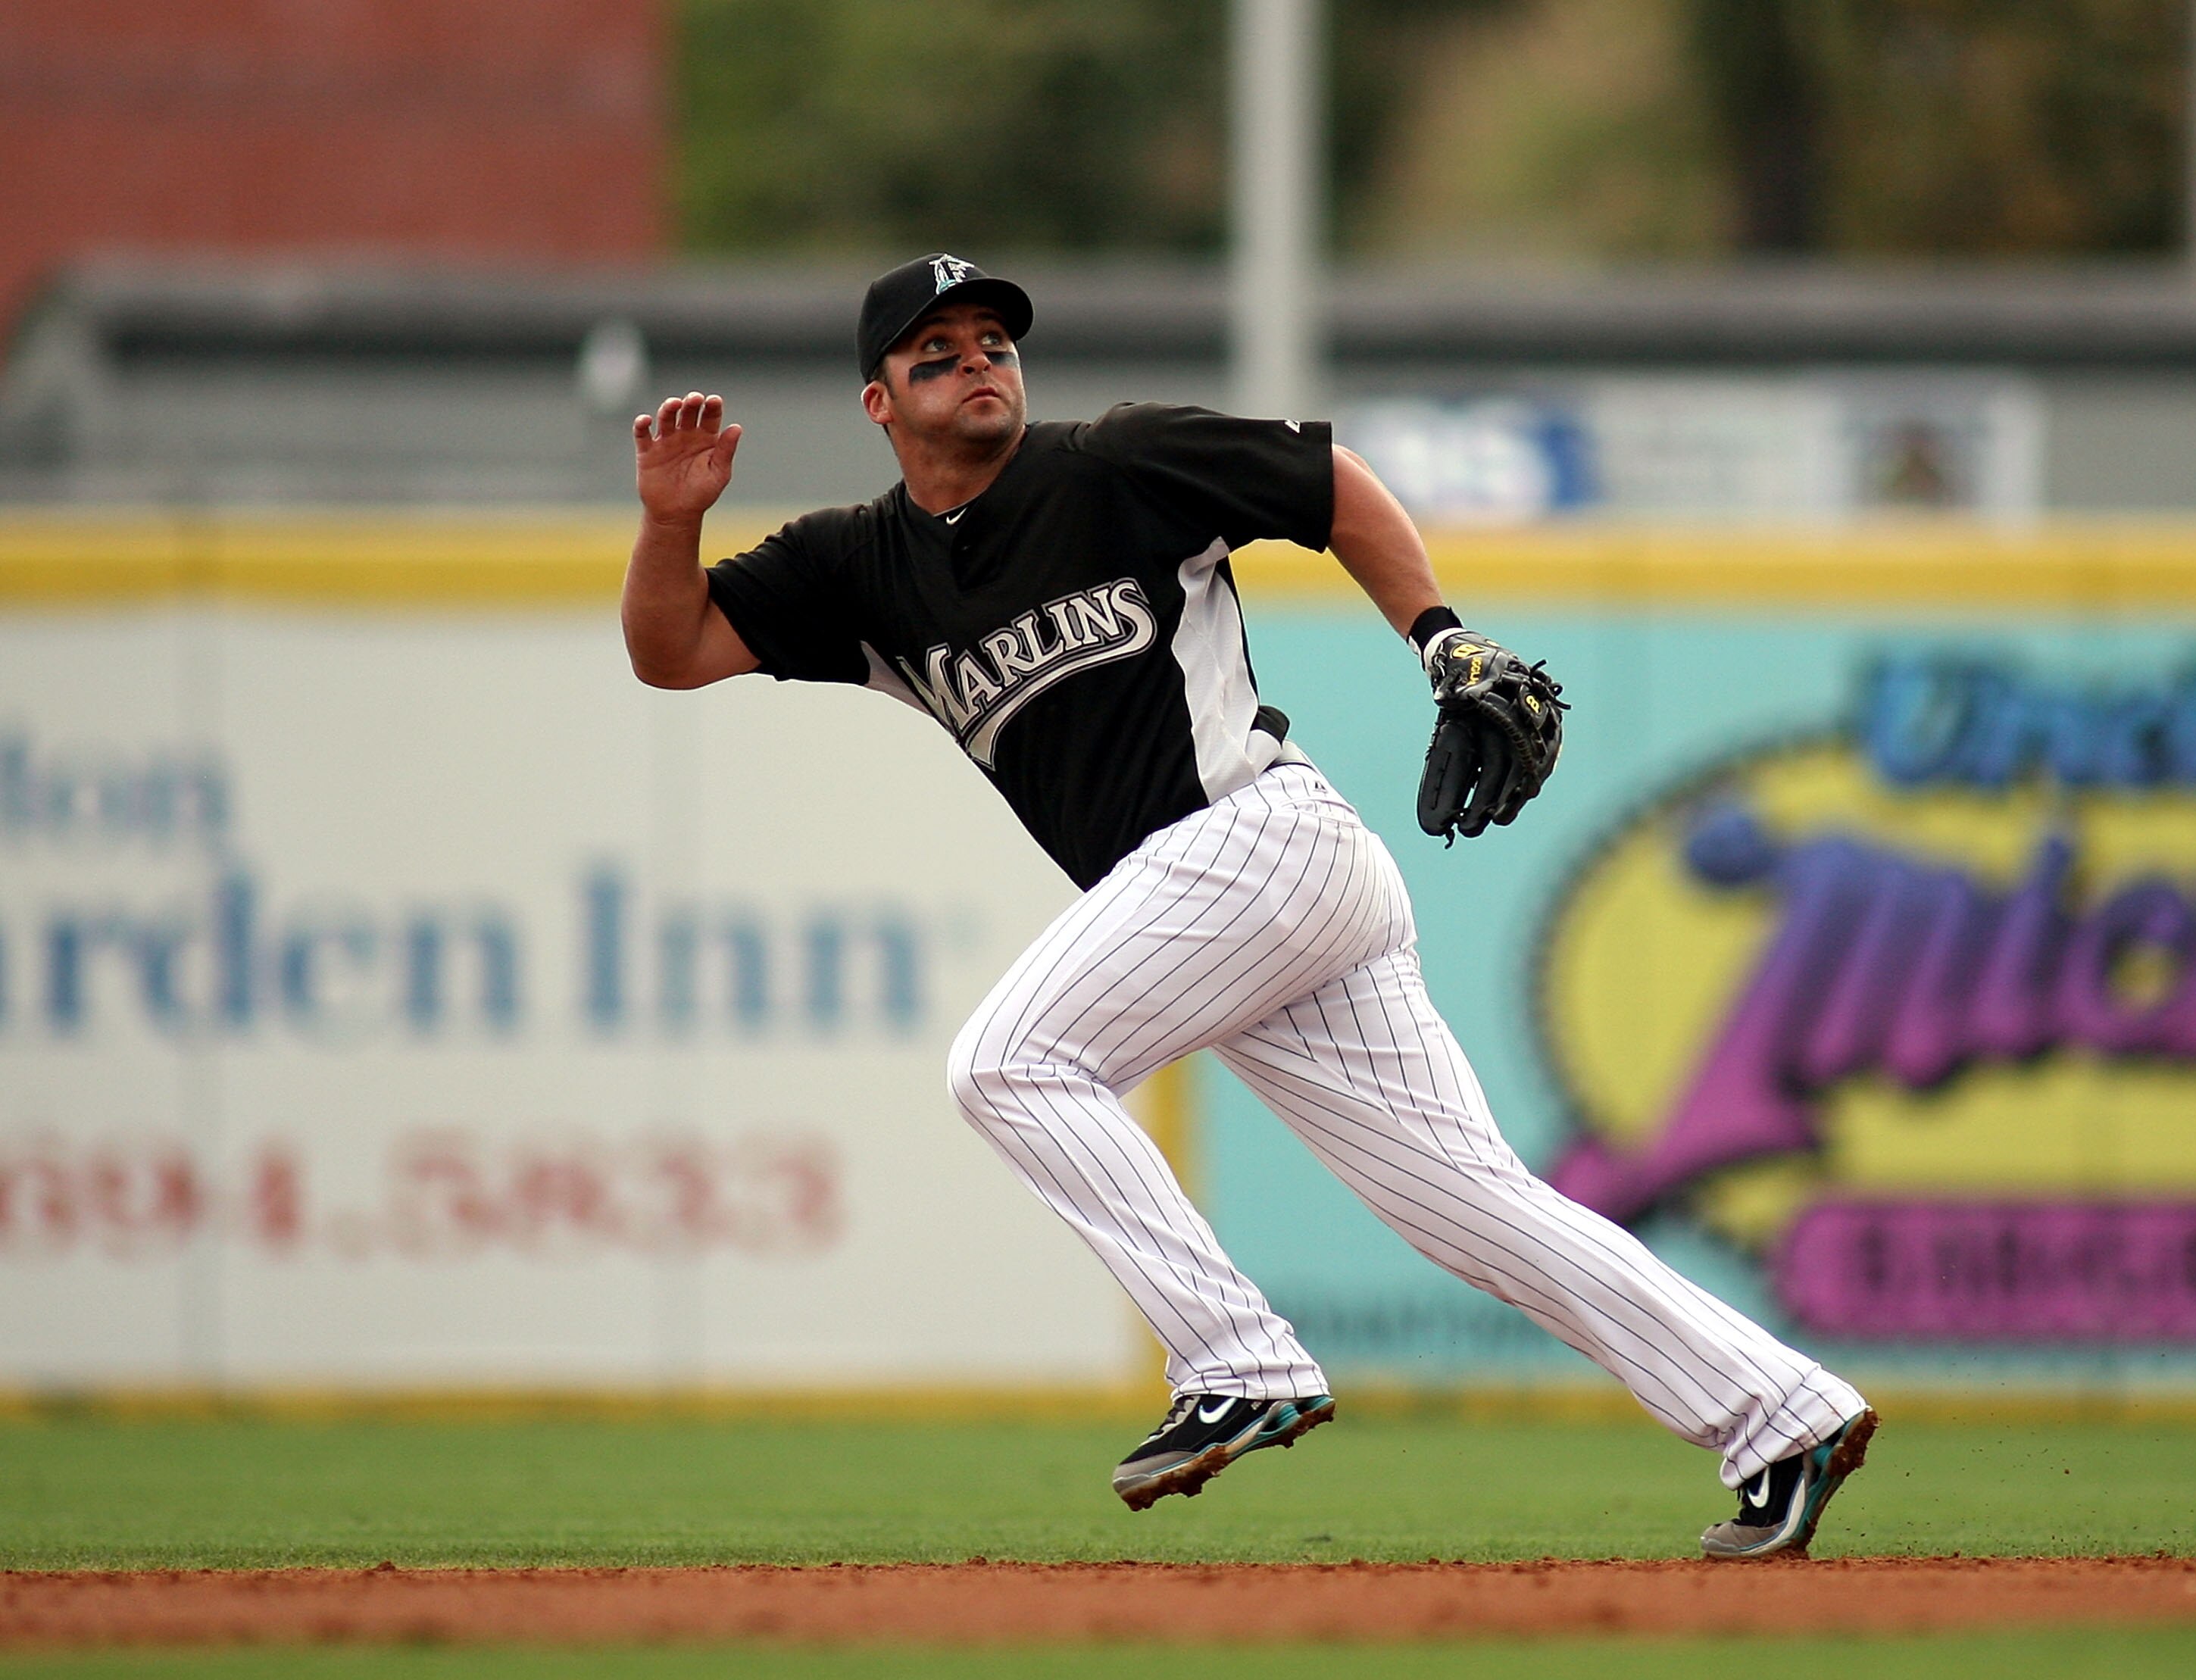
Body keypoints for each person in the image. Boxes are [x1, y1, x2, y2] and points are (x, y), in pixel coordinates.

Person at [619, 254, 1876, 1560]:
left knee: (1008, 1062)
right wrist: (669, 522)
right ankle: (1782, 1415)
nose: (977, 361)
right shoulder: (861, 565)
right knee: (1476, 1205)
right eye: (935, 351)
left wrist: (1442, 636)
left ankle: (1236, 1358)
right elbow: (674, 651)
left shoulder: (1115, 462)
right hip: (1239, 897)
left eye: (992, 338)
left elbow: (1328, 485)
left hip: (1256, 837)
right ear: (879, 403)